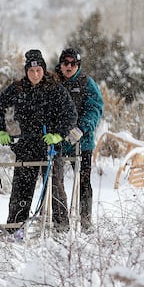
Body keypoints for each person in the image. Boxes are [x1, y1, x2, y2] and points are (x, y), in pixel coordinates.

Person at [0, 49, 77, 231]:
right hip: (27, 144)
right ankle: (15, 228)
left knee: (55, 188)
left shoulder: (55, 88)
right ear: (26, 71)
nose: (35, 74)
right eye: (31, 71)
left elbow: (71, 115)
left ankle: (61, 229)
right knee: (21, 189)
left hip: (50, 146)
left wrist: (58, 134)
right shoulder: (18, 88)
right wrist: (0, 130)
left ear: (43, 70)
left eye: (38, 70)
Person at [55, 47, 104, 231]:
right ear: (60, 64)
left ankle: (85, 220)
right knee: (55, 180)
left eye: (73, 63)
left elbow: (96, 108)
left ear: (78, 65)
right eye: (65, 63)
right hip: (58, 139)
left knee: (83, 180)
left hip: (81, 141)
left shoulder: (86, 83)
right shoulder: (53, 81)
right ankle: (60, 221)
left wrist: (82, 128)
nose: (68, 67)